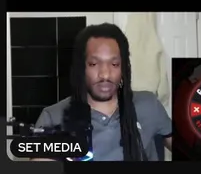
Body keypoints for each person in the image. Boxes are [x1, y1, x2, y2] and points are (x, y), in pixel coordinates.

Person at [32, 23, 172, 162]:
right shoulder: (52, 118)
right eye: (93, 64)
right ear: (81, 67)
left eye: (114, 64)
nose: (105, 75)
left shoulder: (149, 105)